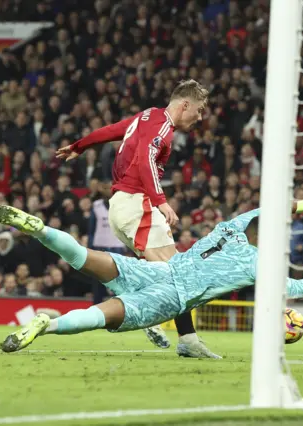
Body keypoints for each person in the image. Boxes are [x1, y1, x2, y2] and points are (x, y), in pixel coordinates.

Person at [0, 194, 303, 354]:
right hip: (170, 296)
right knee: (103, 316)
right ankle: (46, 325)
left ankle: (39, 230)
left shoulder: (232, 226)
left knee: (84, 255)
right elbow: (294, 285)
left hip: (158, 268)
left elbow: (263, 209)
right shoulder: (256, 263)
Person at [55, 79, 215, 358]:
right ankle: (183, 337)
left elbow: (112, 130)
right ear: (185, 104)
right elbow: (145, 159)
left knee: (162, 274)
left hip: (120, 207)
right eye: (199, 110)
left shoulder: (147, 115)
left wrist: (80, 146)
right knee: (179, 274)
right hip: (136, 204)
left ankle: (176, 331)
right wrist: (161, 202)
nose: (199, 117)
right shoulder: (163, 128)